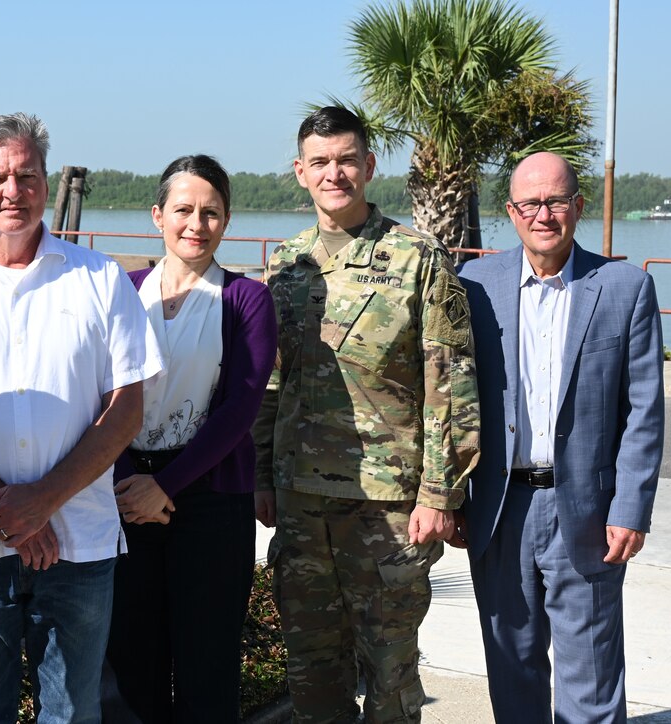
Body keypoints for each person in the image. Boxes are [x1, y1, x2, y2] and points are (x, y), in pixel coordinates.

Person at [0, 112, 161, 724]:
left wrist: (44, 501)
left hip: (81, 542)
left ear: (46, 185)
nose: (12, 191)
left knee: (76, 712)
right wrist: (9, 508)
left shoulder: (100, 279)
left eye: (27, 175)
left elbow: (126, 408)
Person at [252, 106, 480, 723]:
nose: (336, 174)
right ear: (300, 172)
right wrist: (262, 475)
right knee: (312, 668)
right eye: (320, 163)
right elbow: (274, 380)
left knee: (390, 674)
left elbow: (449, 383)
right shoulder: (286, 264)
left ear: (369, 166)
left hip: (387, 505)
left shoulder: (417, 257)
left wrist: (439, 495)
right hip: (300, 501)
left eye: (347, 160)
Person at [456, 151, 663, 723]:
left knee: (592, 681)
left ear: (577, 205)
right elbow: (448, 397)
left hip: (589, 513)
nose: (543, 214)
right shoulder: (474, 285)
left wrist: (631, 508)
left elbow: (644, 410)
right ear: (512, 211)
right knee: (512, 669)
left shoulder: (625, 288)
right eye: (530, 203)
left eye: (555, 201)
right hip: (499, 513)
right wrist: (449, 498)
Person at [101, 155, 278, 723]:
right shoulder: (123, 292)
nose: (196, 225)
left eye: (211, 212)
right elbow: (103, 394)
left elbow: (239, 409)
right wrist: (132, 479)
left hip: (211, 502)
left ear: (226, 221)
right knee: (128, 666)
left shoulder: (246, 300)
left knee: (207, 668)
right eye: (183, 210)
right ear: (158, 216)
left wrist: (166, 486)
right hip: (125, 495)